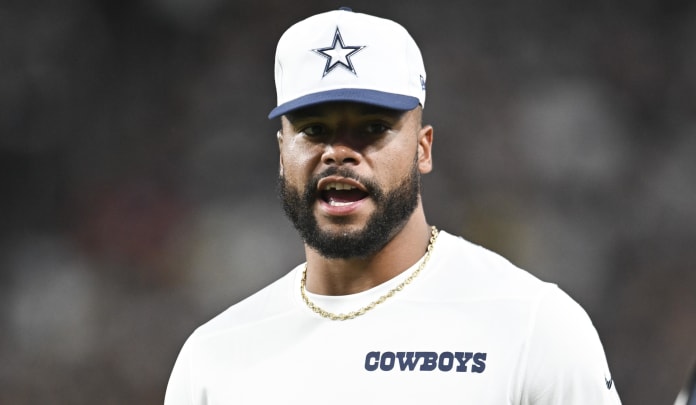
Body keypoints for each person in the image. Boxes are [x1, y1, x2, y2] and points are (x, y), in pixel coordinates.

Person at [165, 8, 621, 404]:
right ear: (281, 153)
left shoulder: (533, 326)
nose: (338, 152)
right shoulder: (213, 358)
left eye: (372, 128)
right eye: (314, 130)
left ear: (423, 149)